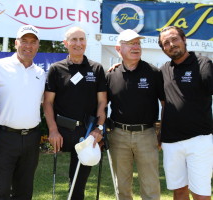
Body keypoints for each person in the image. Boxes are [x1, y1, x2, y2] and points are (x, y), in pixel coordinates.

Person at [43, 26, 107, 200]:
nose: (78, 43)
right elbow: (47, 102)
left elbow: (102, 101)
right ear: (66, 43)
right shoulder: (56, 69)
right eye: (74, 39)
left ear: (86, 42)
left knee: (78, 185)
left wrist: (99, 129)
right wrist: (53, 130)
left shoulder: (97, 69)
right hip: (62, 130)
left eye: (81, 39)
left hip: (87, 132)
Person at [0, 24, 45, 200]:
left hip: (32, 138)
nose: (28, 46)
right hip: (4, 138)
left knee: (24, 192)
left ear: (38, 45)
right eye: (24, 41)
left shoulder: (41, 73)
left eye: (33, 42)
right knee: (1, 191)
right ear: (15, 43)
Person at [106, 29, 164, 200]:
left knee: (150, 185)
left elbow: (165, 103)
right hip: (118, 135)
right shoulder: (111, 74)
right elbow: (102, 105)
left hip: (147, 134)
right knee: (122, 186)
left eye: (138, 43)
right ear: (119, 49)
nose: (136, 47)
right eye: (130, 43)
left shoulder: (153, 72)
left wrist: (163, 131)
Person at [158, 26, 213, 200]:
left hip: (199, 140)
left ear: (184, 39)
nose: (171, 44)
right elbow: (164, 103)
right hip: (171, 142)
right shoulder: (164, 70)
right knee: (179, 191)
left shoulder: (203, 63)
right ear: (163, 48)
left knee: (201, 193)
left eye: (174, 39)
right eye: (166, 43)